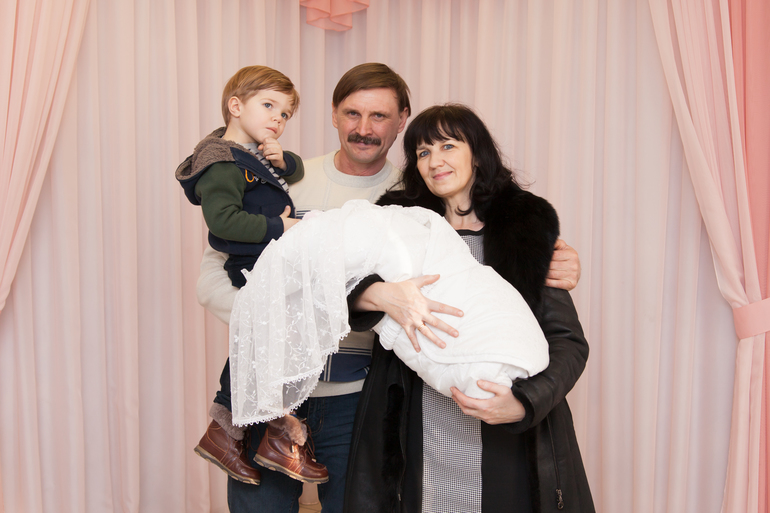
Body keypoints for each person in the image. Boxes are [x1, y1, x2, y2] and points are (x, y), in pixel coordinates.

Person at [195, 64, 583, 513]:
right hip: (275, 389)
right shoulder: (285, 179)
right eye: (352, 113)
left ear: (400, 121)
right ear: (333, 114)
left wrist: (526, 399)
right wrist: (291, 317)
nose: (364, 128)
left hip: (359, 403)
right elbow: (219, 272)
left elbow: (558, 334)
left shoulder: (428, 207)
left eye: (379, 116)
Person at [344, 104, 595, 512]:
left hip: (506, 430)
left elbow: (568, 343)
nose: (435, 161)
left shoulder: (523, 229)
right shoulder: (398, 225)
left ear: (476, 154)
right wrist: (379, 295)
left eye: (448, 146)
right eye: (423, 152)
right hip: (415, 424)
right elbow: (341, 288)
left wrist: (524, 401)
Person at [176, 65, 328, 487]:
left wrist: (283, 159)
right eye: (268, 106)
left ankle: (231, 434)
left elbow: (291, 173)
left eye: (285, 114)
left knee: (267, 341)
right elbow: (223, 222)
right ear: (236, 106)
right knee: (274, 338)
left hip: (265, 260)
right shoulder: (222, 163)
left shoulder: (249, 154)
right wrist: (283, 227)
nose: (277, 119)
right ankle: (268, 432)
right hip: (249, 261)